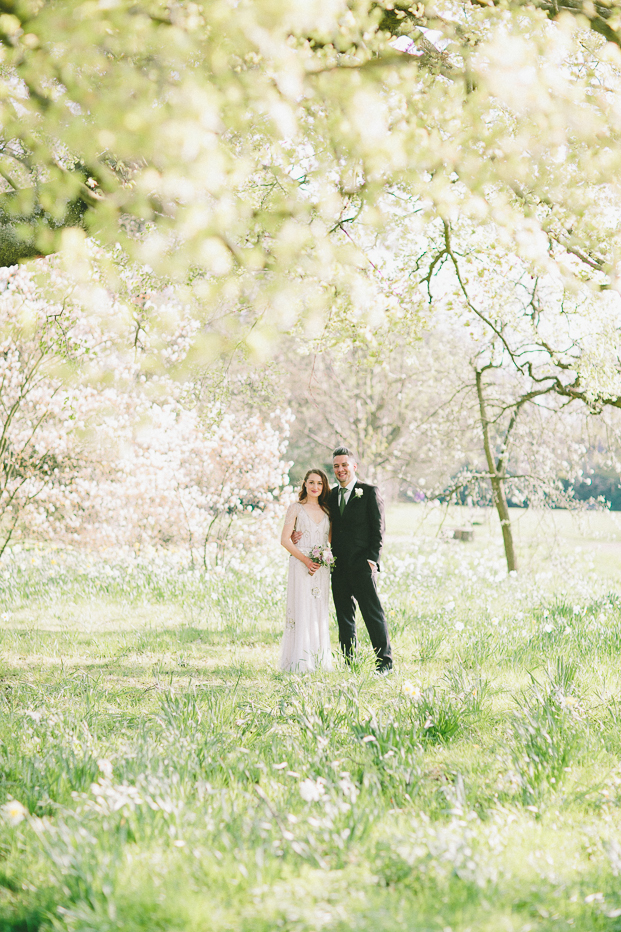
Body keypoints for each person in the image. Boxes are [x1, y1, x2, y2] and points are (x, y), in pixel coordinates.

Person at [328, 447, 392, 673]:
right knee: (344, 617)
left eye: (344, 465)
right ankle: (349, 662)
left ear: (354, 466)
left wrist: (373, 560)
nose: (340, 469)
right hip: (338, 567)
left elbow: (379, 529)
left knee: (372, 614)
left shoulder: (369, 492)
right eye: (336, 466)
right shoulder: (331, 495)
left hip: (362, 566)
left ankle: (384, 662)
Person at [279, 468, 333, 672]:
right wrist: (305, 561)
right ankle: (299, 661)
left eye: (319, 483)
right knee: (301, 608)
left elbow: (330, 540)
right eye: (311, 482)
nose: (315, 487)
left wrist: (323, 557)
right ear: (305, 484)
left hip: (320, 566)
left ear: (324, 486)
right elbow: (285, 540)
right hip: (301, 565)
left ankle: (318, 659)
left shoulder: (328, 511)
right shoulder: (295, 508)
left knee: (318, 610)